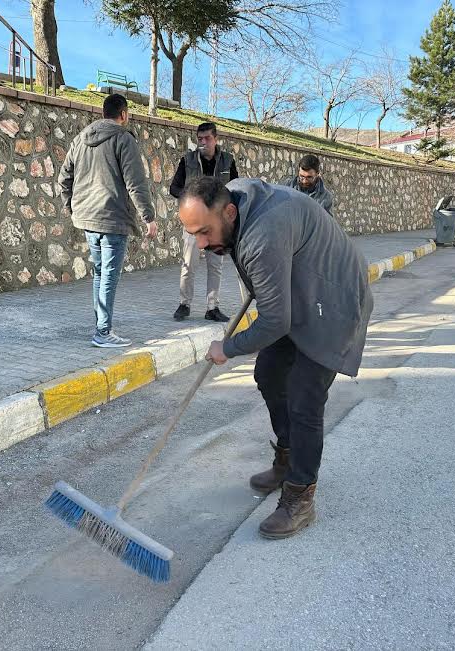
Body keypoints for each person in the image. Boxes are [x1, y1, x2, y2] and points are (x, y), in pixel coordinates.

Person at [178, 176, 373, 539]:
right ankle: (287, 458)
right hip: (300, 292)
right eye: (194, 235)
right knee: (269, 373)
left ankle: (300, 496)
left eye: (205, 232)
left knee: (304, 396)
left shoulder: (262, 234)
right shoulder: (235, 204)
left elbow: (273, 321)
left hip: (335, 302)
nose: (202, 244)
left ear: (229, 212)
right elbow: (270, 295)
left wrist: (228, 347)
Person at [57, 94, 157, 348]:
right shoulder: (124, 140)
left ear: (104, 113)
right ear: (123, 114)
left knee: (99, 274)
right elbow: (135, 183)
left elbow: (64, 177)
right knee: (109, 276)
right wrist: (149, 217)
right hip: (113, 218)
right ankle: (103, 332)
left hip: (88, 218)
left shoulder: (81, 139)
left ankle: (101, 326)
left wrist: (70, 206)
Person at [169, 122, 238, 322]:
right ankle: (184, 304)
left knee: (215, 265)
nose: (203, 142)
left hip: (217, 224)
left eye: (207, 138)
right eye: (200, 139)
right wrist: (191, 200)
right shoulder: (187, 160)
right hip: (194, 224)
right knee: (188, 263)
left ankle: (212, 307)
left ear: (215, 139)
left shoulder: (227, 161)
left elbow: (235, 188)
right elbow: (174, 187)